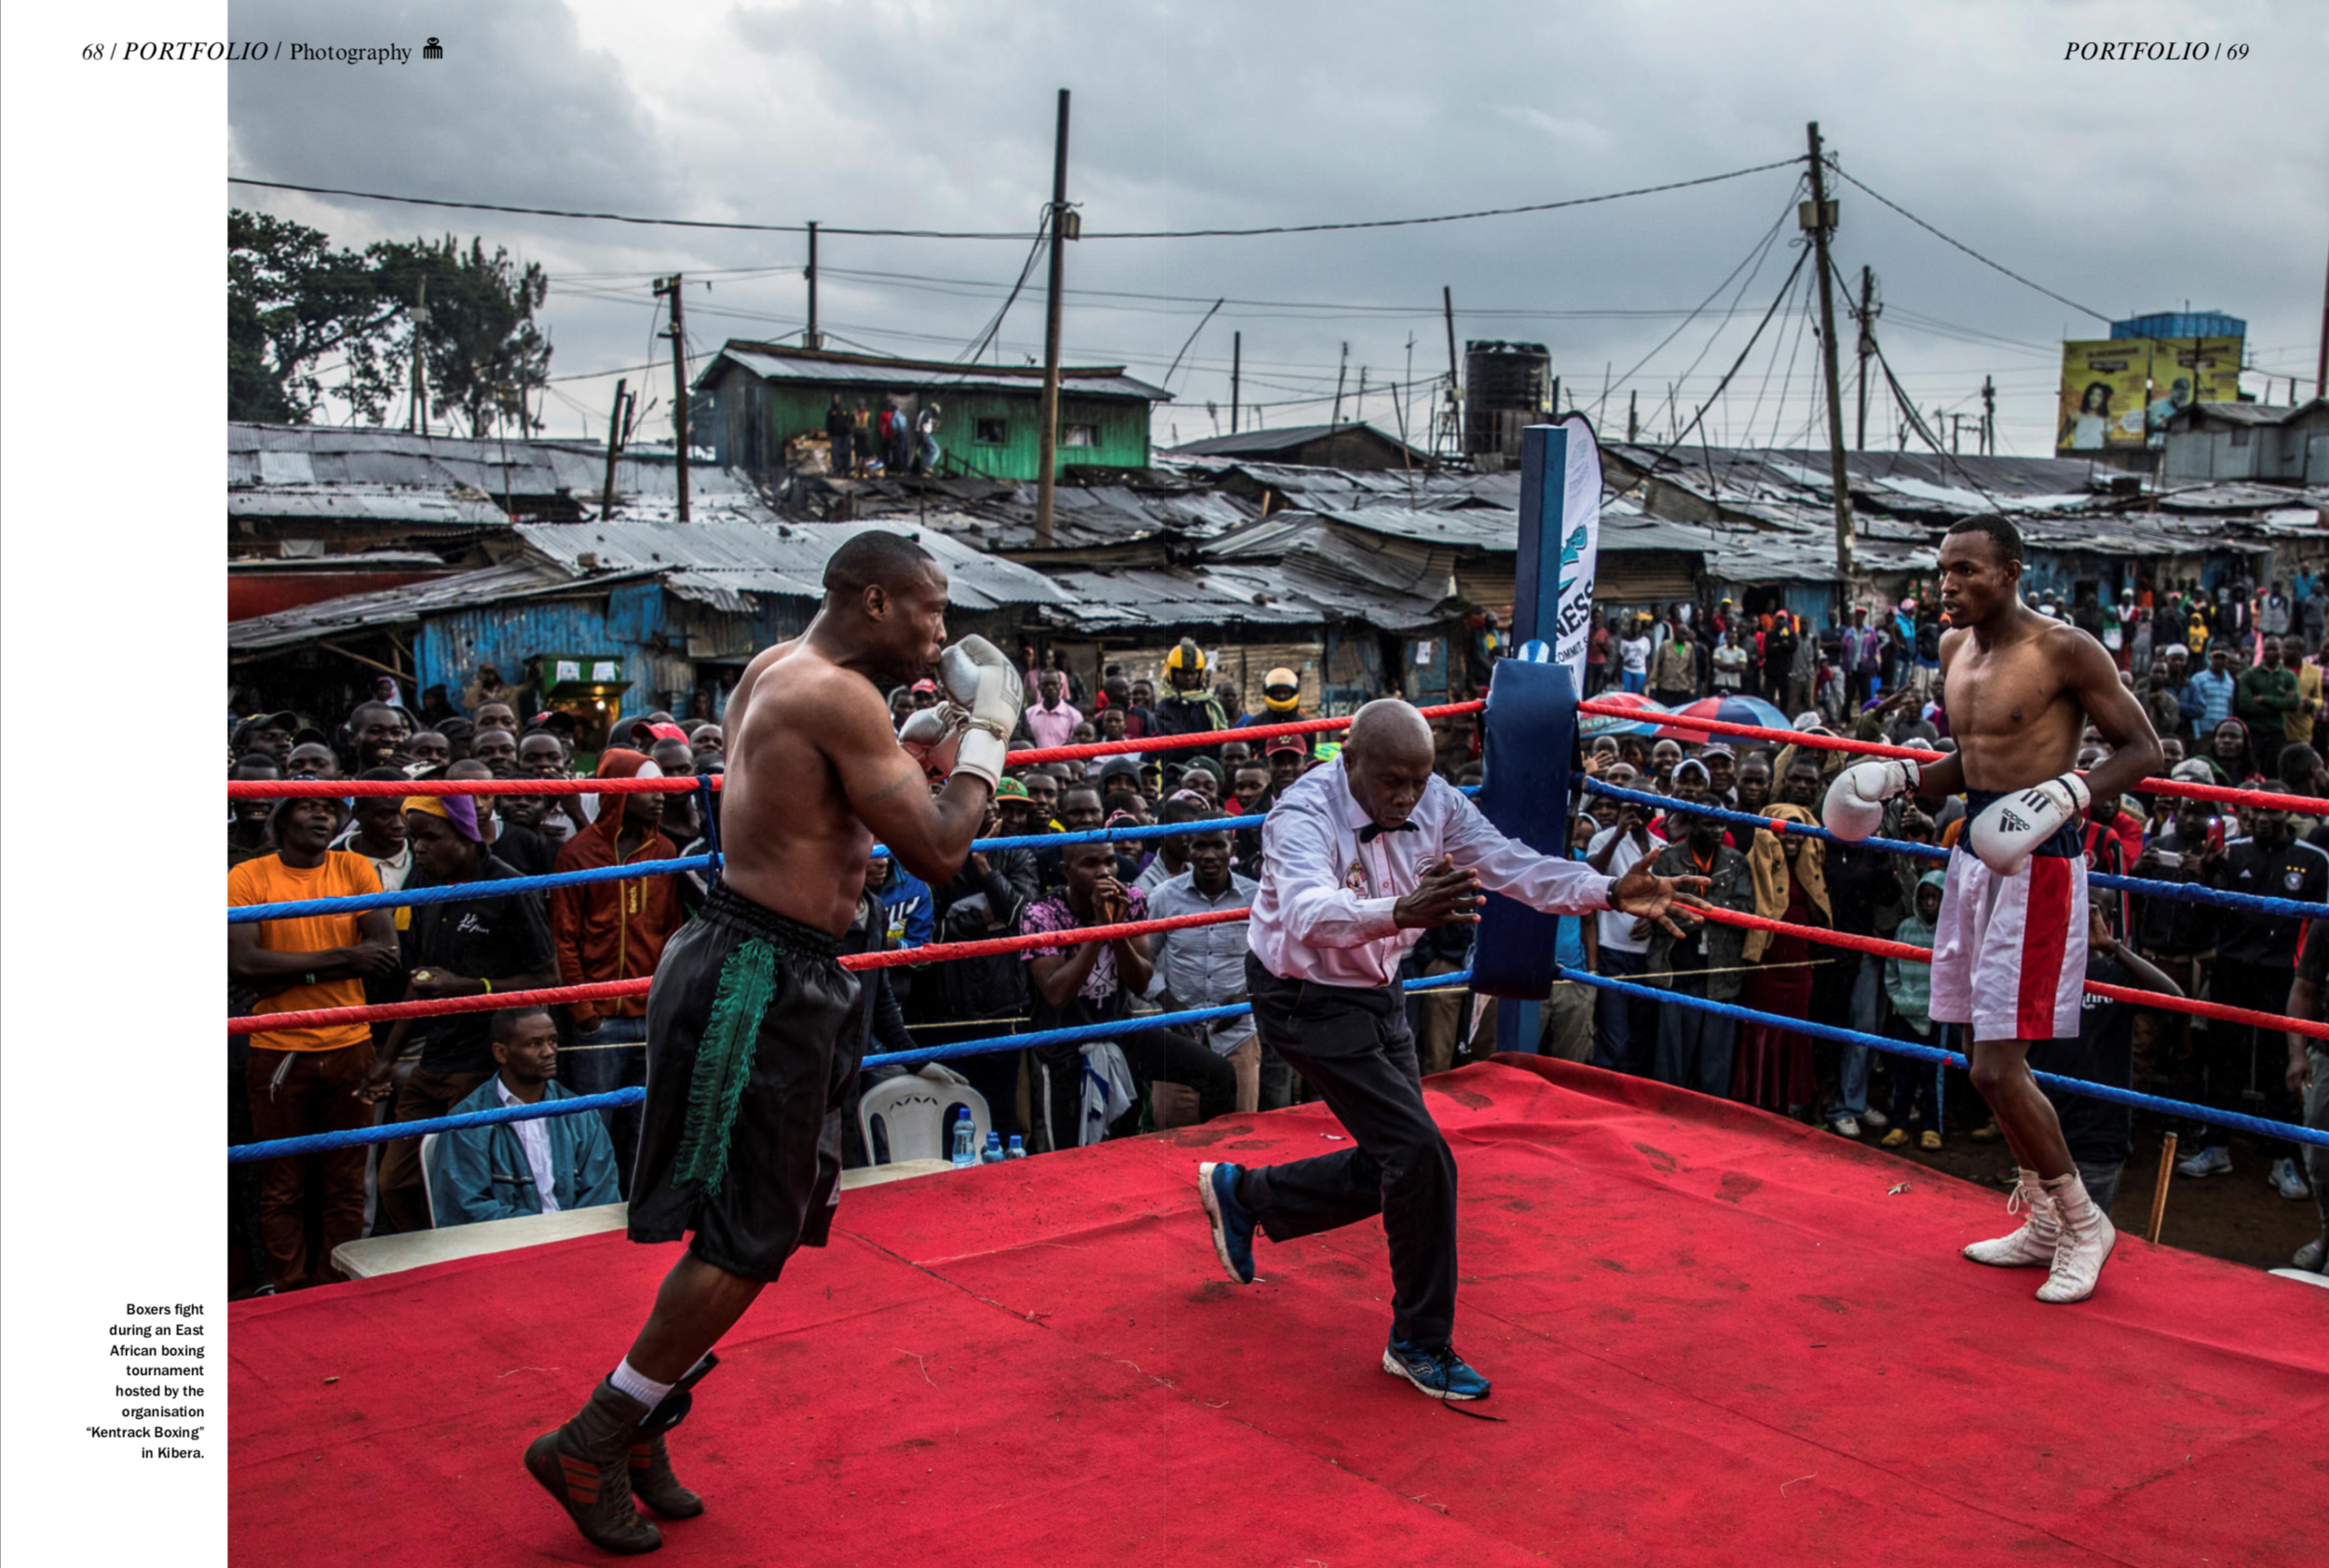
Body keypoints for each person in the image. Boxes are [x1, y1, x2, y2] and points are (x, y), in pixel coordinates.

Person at [524, 531, 1021, 1552]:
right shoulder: (834, 696)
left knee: (772, 1217)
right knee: (749, 1232)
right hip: (760, 975)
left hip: (765, 964)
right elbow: (936, 850)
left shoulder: (781, 668)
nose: (941, 630)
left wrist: (922, 732)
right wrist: (988, 738)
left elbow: (826, 805)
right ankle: (595, 1434)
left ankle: (642, 1416)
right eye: (929, 608)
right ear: (876, 600)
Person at [1194, 700, 1707, 1402]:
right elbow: (1309, 913)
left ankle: (1247, 1196)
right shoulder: (1300, 814)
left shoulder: (1434, 802)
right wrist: (1401, 911)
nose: (1407, 796)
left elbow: (1510, 864)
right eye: (1392, 781)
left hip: (1380, 987)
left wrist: (1608, 891)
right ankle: (1418, 1340)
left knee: (1396, 1162)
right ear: (1350, 763)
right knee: (1421, 1155)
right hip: (1303, 996)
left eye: (1419, 778)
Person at [1822, 514, 2163, 1304]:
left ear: (2010, 570)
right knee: (1981, 1061)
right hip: (1973, 856)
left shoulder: (2063, 648)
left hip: (2040, 865)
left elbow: (2146, 750)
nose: (1950, 584)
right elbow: (1975, 763)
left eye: (1968, 570)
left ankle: (2084, 1223)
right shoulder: (1953, 649)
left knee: (1996, 1067)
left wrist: (2072, 790)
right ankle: (2043, 1215)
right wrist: (1904, 780)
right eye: (1943, 569)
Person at [361, 794, 560, 1234]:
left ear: (465, 834)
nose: (419, 849)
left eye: (430, 837)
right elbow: (422, 980)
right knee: (395, 1181)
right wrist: (388, 1057)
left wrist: (469, 989)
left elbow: (549, 978)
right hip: (433, 1056)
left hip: (485, 1062)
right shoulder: (425, 886)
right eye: (414, 839)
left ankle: (462, 1267)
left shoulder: (508, 887)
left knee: (463, 1181)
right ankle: (427, 1259)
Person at [227, 797, 401, 1291]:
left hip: (350, 1043)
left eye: (329, 808)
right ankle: (287, 1285)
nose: (323, 815)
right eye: (308, 807)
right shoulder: (247, 877)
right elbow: (244, 965)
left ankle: (335, 1286)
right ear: (282, 818)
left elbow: (386, 955)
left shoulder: (355, 868)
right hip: (278, 1046)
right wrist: (347, 955)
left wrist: (293, 971)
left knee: (345, 1182)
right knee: (282, 1182)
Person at [1024, 839, 1236, 1148]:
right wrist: (1099, 929)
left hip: (1119, 1032)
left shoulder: (1131, 899)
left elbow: (1140, 981)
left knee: (1218, 1074)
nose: (1105, 873)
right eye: (1090, 864)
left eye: (1110, 862)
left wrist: (1116, 929)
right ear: (1066, 871)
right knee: (1070, 1157)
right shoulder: (1041, 913)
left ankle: (1213, 1164)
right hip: (1064, 1046)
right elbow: (1057, 994)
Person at [548, 750, 686, 1187]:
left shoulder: (665, 850)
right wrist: (583, 1013)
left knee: (648, 1121)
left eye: (662, 787)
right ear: (619, 793)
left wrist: (667, 1000)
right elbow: (564, 939)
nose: (660, 797)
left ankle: (641, 1205)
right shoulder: (578, 854)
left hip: (650, 1012)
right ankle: (592, 1210)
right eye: (648, 789)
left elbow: (672, 930)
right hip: (600, 1021)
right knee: (594, 1123)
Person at [2174, 804, 2324, 1197]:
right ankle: (2216, 1144)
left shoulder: (2314, 859)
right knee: (2223, 1056)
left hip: (2285, 975)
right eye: (2255, 809)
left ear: (2289, 815)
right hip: (2233, 968)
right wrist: (2206, 872)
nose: (2261, 816)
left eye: (2272, 810)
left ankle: (2284, 1157)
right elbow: (2206, 915)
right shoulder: (2232, 852)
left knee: (2283, 1062)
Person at [2028, 907, 2185, 1217]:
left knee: (2086, 1236)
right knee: (2042, 1232)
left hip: (2099, 1133)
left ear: (2106, 916)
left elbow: (2177, 1003)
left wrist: (2113, 947)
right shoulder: (2039, 966)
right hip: (2042, 1126)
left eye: (2090, 907)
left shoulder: (2119, 974)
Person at [428, 1008, 621, 1227]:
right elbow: (465, 1209)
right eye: (534, 1044)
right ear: (501, 1053)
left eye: (553, 1040)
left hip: (577, 1244)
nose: (549, 1051)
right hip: (506, 1249)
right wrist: (547, 1232)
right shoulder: (466, 1122)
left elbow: (603, 1197)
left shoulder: (582, 1115)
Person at [1641, 770, 1756, 1095]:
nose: (1718, 830)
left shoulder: (1736, 862)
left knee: (1715, 1061)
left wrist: (1694, 908)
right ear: (1692, 824)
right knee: (1671, 1059)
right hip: (1677, 967)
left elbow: (1744, 911)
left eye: (1722, 824)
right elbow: (1658, 908)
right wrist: (1715, 909)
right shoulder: (1667, 860)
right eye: (1710, 824)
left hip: (1721, 970)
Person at [1147, 818, 1268, 1114]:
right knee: (1173, 1144)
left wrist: (1245, 999)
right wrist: (1168, 1002)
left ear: (1233, 849)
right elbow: (1142, 959)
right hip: (1178, 1036)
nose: (1210, 854)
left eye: (1218, 845)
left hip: (1237, 1034)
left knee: (1238, 1142)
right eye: (1201, 846)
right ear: (1188, 850)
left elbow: (1274, 962)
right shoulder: (1164, 897)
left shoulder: (1257, 898)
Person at [1880, 871, 1947, 1150]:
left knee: (1933, 1076)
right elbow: (1891, 972)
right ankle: (1899, 1123)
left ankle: (1932, 1128)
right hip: (1905, 1013)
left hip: (1936, 1016)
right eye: (1926, 897)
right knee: (1903, 1073)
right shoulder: (1905, 928)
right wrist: (1900, 1000)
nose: (1930, 903)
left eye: (1936, 897)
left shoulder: (1950, 933)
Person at [2282, 919, 2329, 1272]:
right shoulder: (2326, 919)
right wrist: (2298, 1053)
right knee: (2318, 1153)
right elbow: (2304, 988)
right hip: (2327, 1051)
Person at [331, 768, 415, 891]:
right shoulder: (329, 862)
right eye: (385, 815)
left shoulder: (427, 861)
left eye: (405, 813)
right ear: (357, 814)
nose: (398, 824)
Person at [1151, 639, 1232, 750]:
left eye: (1193, 673)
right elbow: (1178, 743)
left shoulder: (1211, 703)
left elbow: (1226, 735)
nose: (1189, 678)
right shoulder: (1164, 707)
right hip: (1177, 764)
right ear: (1172, 673)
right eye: (1183, 673)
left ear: (1200, 673)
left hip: (1212, 763)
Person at [1020, 667, 1084, 751]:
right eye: (1046, 684)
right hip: (1036, 762)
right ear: (1039, 687)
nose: (1050, 687)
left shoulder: (1074, 715)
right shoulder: (1029, 714)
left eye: (1054, 684)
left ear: (1060, 686)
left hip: (1064, 762)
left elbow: (1076, 745)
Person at [1240, 666, 1307, 729]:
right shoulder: (1254, 725)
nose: (1281, 696)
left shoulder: (1305, 726)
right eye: (1277, 692)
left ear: (1294, 693)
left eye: (1286, 692)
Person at [1616, 620, 1652, 695]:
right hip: (1626, 670)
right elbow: (1620, 658)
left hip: (1640, 671)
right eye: (1635, 626)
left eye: (1638, 626)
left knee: (1637, 694)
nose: (1636, 628)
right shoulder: (1624, 641)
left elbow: (1648, 659)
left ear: (1641, 628)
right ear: (1631, 627)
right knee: (1626, 694)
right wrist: (1617, 674)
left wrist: (1649, 674)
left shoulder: (1645, 641)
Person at [824, 392, 854, 477]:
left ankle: (847, 471)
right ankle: (836, 470)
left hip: (846, 435)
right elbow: (828, 423)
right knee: (835, 453)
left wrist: (850, 431)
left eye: (838, 398)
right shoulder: (831, 411)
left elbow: (851, 421)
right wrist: (829, 434)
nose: (836, 400)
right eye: (835, 398)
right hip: (836, 435)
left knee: (847, 452)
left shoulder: (846, 410)